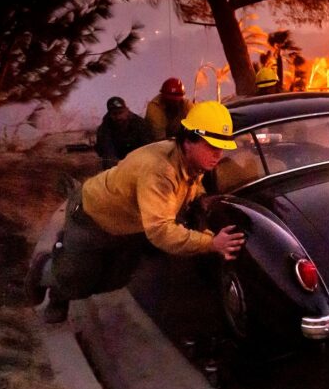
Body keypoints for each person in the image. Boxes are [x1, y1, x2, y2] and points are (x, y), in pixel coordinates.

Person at [24, 101, 246, 323]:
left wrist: (200, 199)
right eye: (212, 146)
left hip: (126, 224)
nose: (218, 154)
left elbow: (190, 186)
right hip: (91, 216)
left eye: (222, 147)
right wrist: (211, 243)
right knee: (77, 279)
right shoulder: (159, 171)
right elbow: (160, 231)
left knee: (114, 281)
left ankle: (65, 268)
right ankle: (45, 270)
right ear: (189, 141)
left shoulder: (190, 159)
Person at [95, 96, 154, 170]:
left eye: (121, 112)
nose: (118, 117)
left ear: (127, 111)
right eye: (114, 114)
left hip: (137, 156)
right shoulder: (104, 128)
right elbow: (107, 149)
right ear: (110, 115)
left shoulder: (140, 124)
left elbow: (147, 146)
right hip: (117, 159)